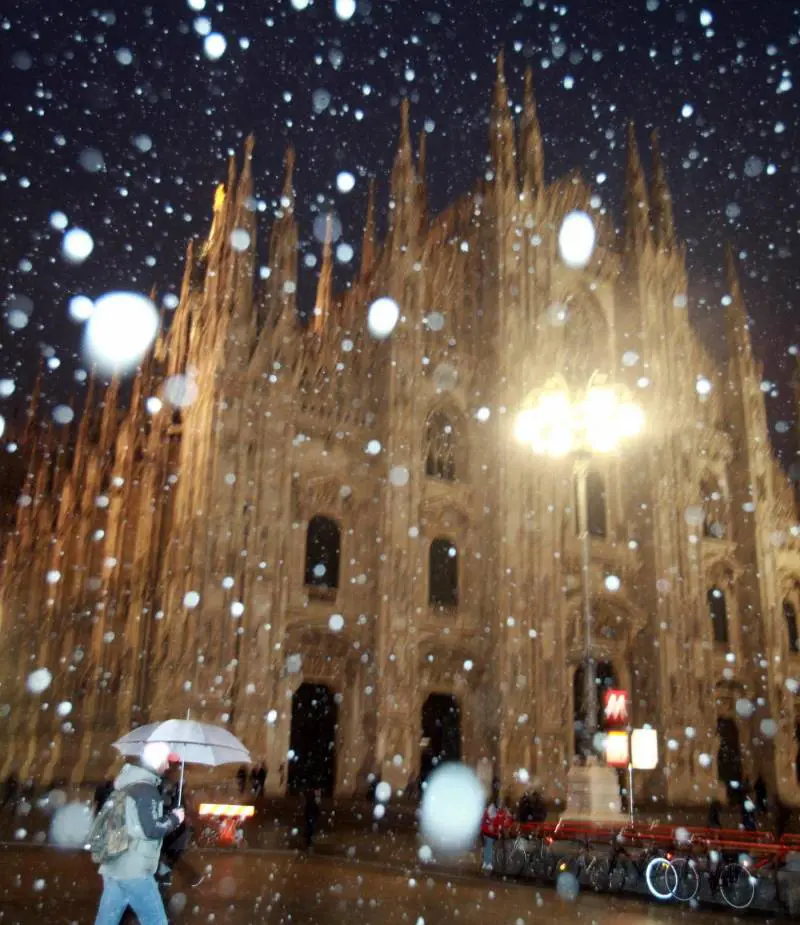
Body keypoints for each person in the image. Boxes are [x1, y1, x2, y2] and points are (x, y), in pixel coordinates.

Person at [93, 741, 184, 925]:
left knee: (105, 922)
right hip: (135, 869)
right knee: (156, 921)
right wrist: (175, 819)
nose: (167, 766)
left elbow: (136, 822)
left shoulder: (128, 784)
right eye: (166, 761)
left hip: (115, 865)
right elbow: (150, 830)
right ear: (157, 761)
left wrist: (166, 816)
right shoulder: (146, 790)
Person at [158, 757, 204, 888]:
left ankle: (172, 877)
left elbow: (171, 805)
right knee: (170, 856)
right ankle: (168, 877)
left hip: (174, 827)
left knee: (169, 855)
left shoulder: (169, 785)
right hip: (175, 827)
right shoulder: (174, 786)